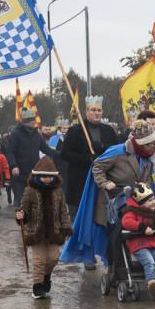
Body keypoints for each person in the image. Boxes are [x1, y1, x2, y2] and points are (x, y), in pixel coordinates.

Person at [60, 120, 155, 268]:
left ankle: (138, 262)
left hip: (137, 202)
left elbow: (149, 178)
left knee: (140, 230)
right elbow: (97, 167)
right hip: (113, 202)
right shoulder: (117, 152)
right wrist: (105, 183)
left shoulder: (146, 156)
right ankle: (113, 267)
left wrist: (146, 187)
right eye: (151, 144)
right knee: (115, 235)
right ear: (141, 144)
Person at [15, 156, 74, 300]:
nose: (47, 179)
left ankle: (46, 277)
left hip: (54, 232)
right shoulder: (30, 191)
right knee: (39, 260)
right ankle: (37, 287)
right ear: (37, 176)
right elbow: (24, 208)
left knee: (53, 259)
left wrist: (66, 228)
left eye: (49, 176)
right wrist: (21, 215)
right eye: (43, 177)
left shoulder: (58, 191)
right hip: (36, 232)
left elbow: (63, 211)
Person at [61, 96, 120, 226]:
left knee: (101, 216)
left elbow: (117, 150)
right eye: (93, 110)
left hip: (104, 179)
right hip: (81, 180)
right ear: (87, 112)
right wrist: (87, 158)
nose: (97, 113)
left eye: (99, 110)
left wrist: (103, 147)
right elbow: (65, 154)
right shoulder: (75, 131)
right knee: (83, 218)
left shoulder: (109, 131)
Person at [120, 182, 155, 301]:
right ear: (141, 204)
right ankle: (152, 284)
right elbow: (126, 222)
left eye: (153, 199)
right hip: (139, 244)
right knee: (149, 261)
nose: (154, 202)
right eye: (150, 200)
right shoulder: (132, 212)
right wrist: (142, 227)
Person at [6, 107, 57, 208]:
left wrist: (62, 154)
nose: (35, 122)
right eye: (32, 120)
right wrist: (13, 166)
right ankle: (23, 222)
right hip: (20, 174)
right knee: (23, 201)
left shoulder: (36, 135)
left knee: (36, 201)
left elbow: (46, 149)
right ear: (26, 121)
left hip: (34, 173)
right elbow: (10, 151)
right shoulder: (16, 134)